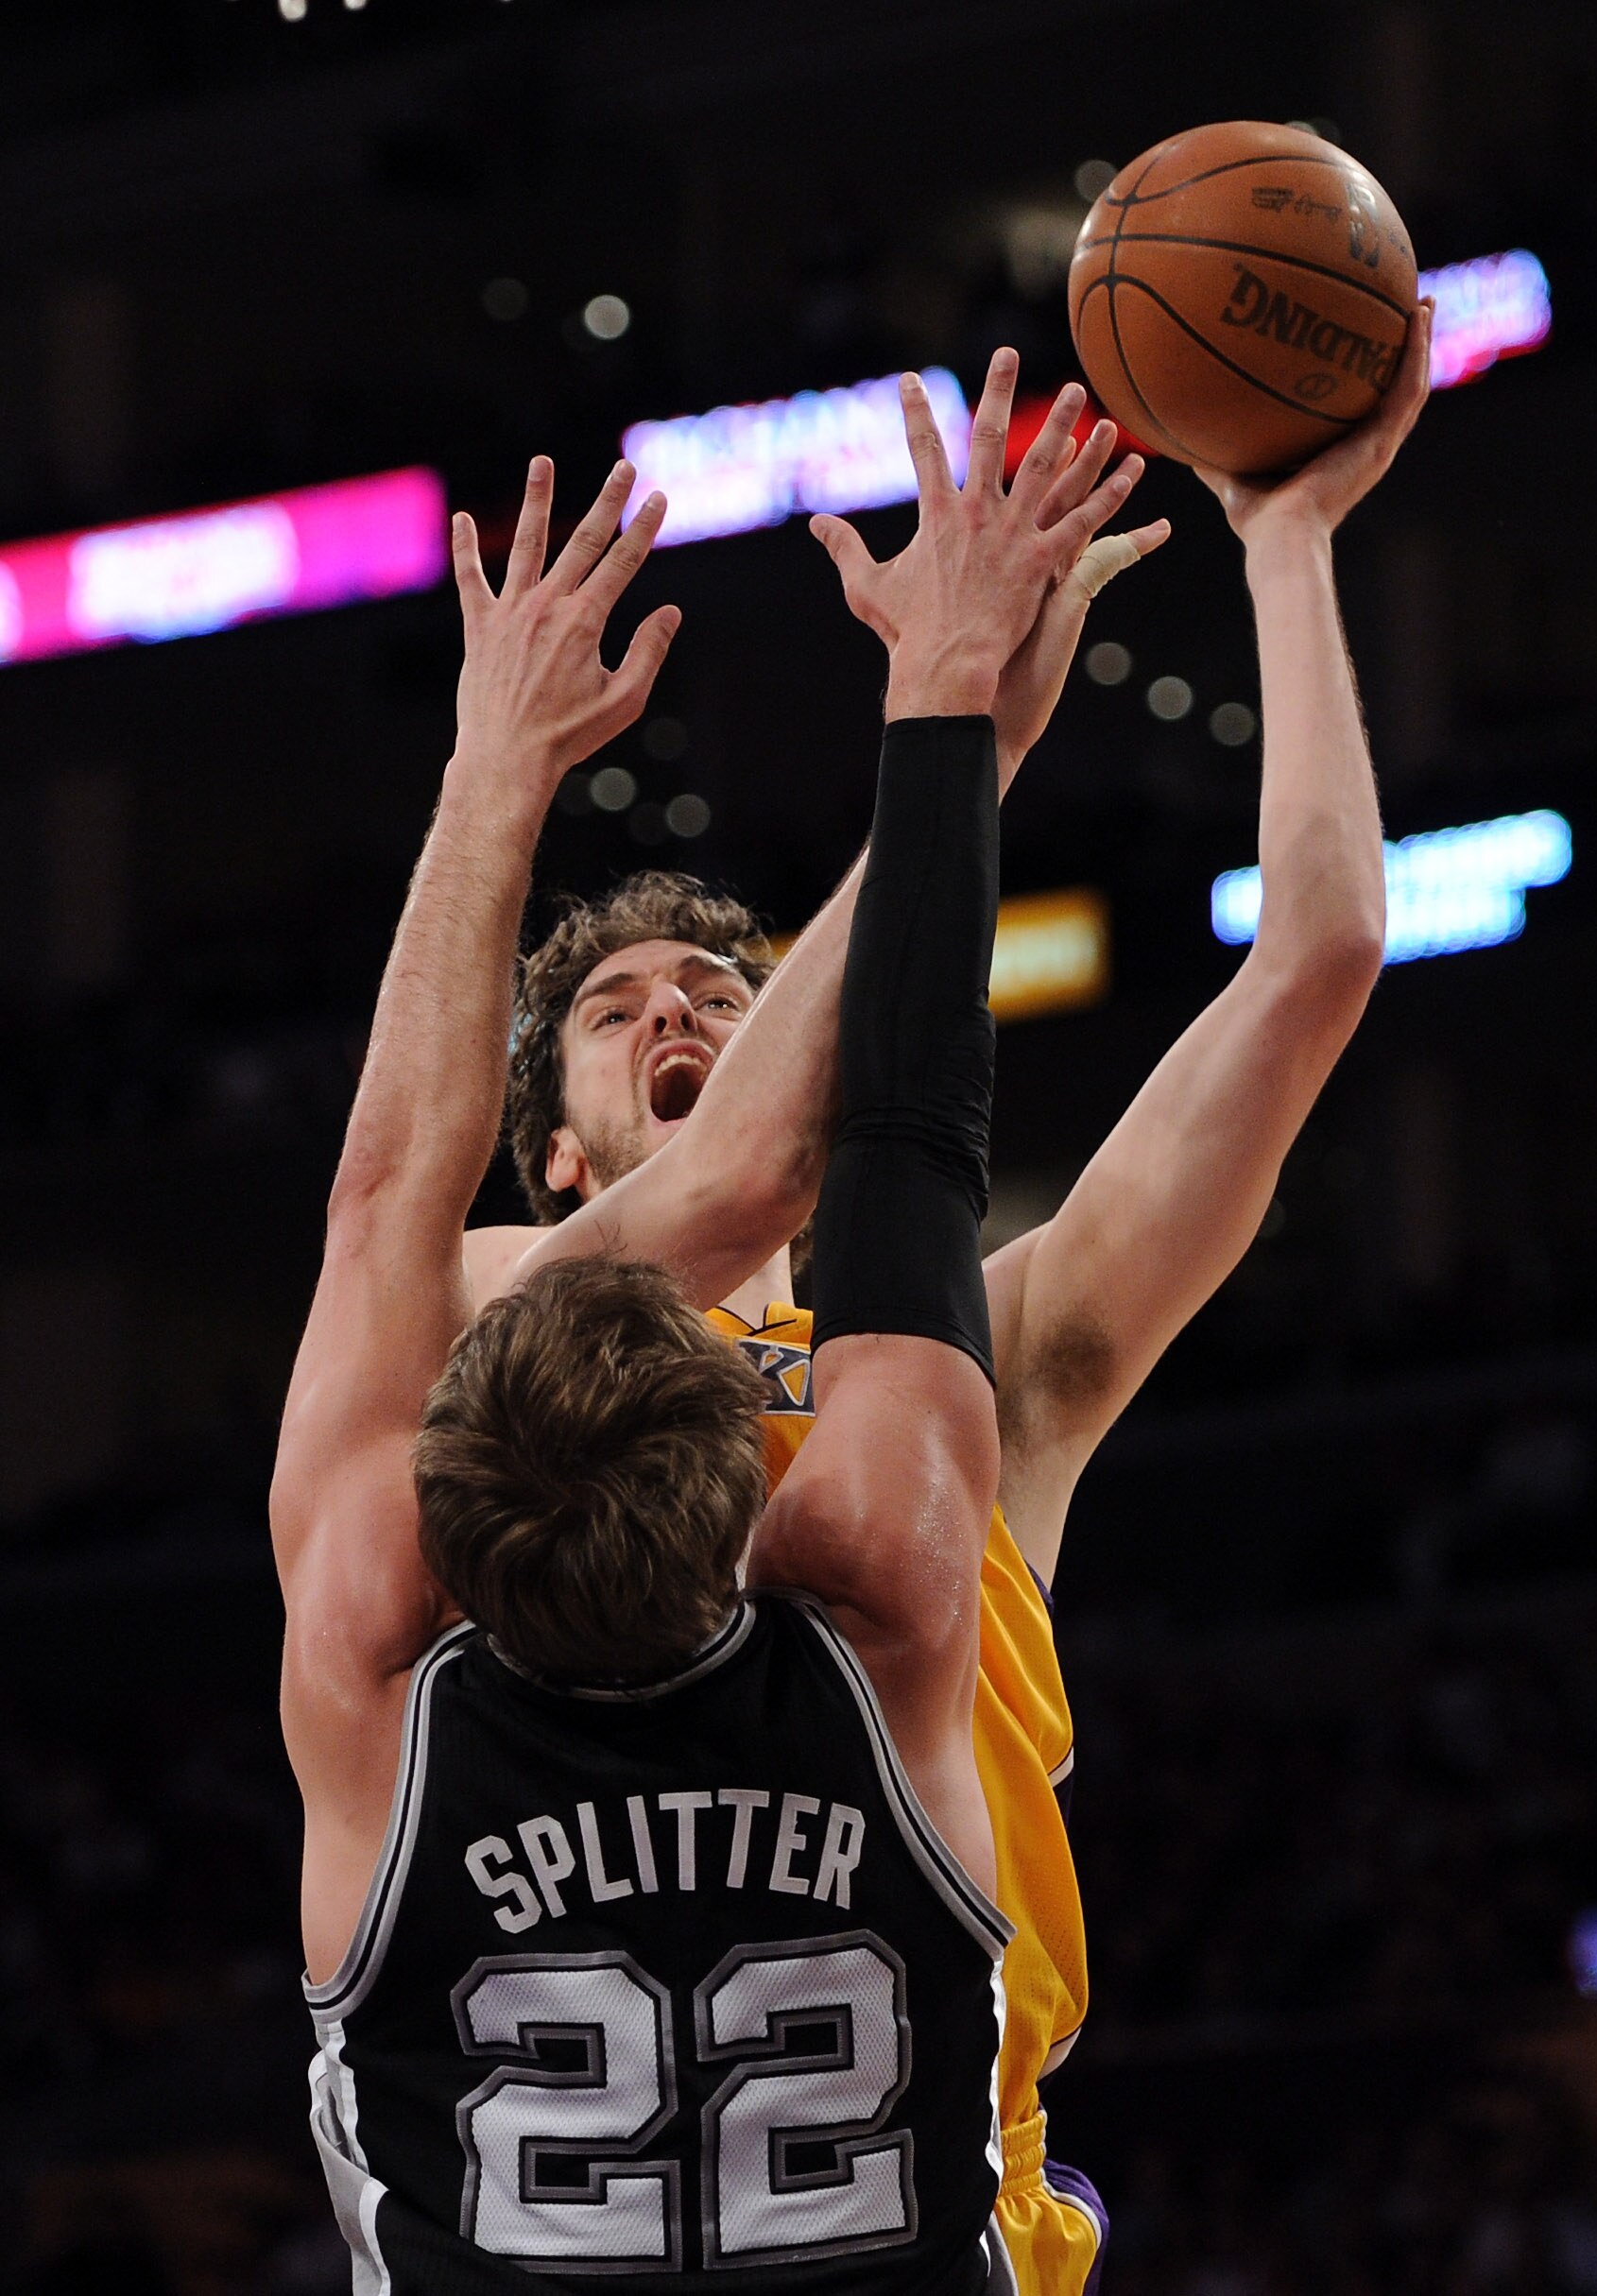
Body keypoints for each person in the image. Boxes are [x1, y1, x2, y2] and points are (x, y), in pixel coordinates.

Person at [463, 307, 1436, 2295]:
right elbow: (735, 1165)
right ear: (553, 1155)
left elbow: (1320, 955)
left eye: (724, 1006)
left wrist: (1291, 538)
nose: (681, 1018)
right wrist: (957, 735)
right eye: (620, 1019)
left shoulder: (997, 1371)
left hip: (948, 2218)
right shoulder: (486, 1320)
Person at [271, 373, 1141, 2288]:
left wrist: (499, 771)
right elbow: (831, 1156)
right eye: (626, 1010)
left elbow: (373, 1200)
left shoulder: (374, 1621)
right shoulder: (875, 1581)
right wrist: (955, 726)